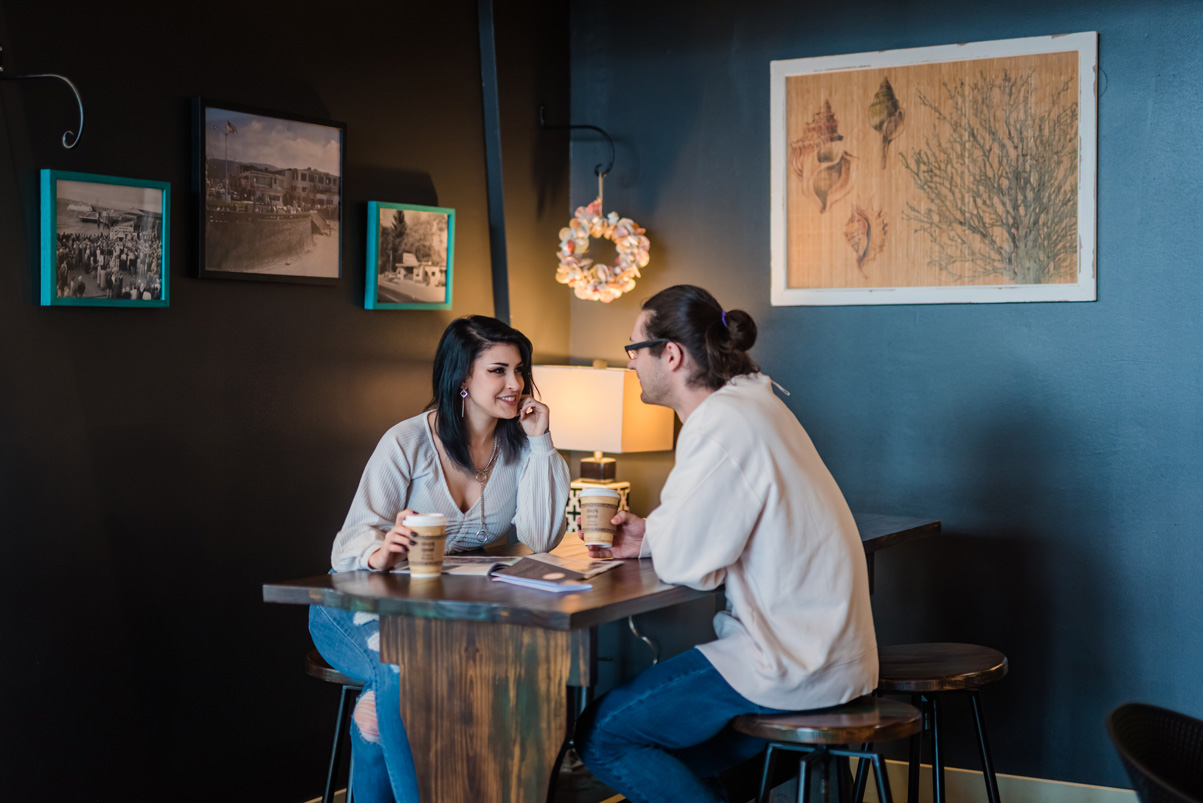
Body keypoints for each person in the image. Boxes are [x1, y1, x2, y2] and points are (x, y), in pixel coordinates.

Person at [574, 285, 878, 803]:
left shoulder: (719, 426)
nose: (630, 365)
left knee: (603, 736)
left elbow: (694, 566)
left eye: (633, 350)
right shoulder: (754, 404)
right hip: (835, 652)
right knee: (676, 758)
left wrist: (665, 541)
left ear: (669, 355)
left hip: (789, 660)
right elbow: (722, 524)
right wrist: (652, 535)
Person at [309, 315, 570, 803]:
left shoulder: (519, 448)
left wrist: (540, 440)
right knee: (406, 667)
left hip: (444, 614)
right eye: (498, 370)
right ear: (461, 378)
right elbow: (348, 545)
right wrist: (382, 550)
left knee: (385, 707)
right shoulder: (406, 441)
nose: (515, 384)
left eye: (520, 370)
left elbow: (541, 535)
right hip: (358, 606)